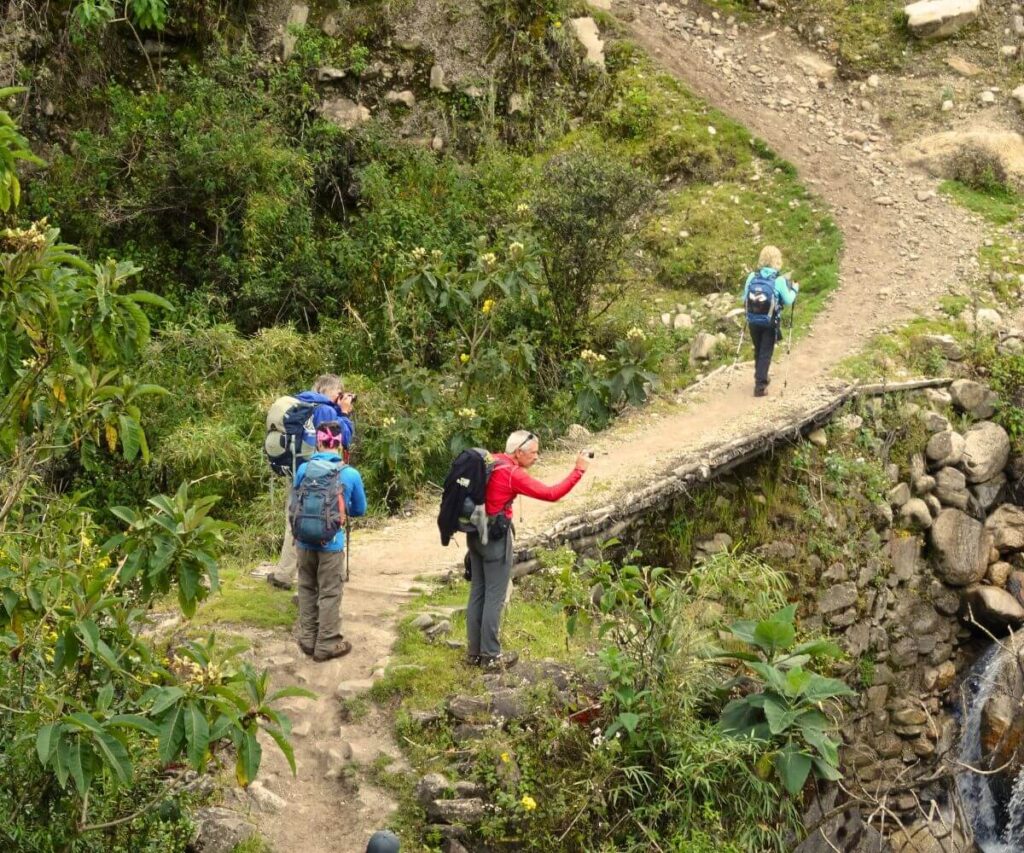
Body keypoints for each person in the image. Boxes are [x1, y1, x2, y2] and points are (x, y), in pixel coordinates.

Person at [466, 431, 590, 669]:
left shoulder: (490, 461)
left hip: (475, 533)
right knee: (495, 595)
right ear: (519, 452)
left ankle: (474, 653)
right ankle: (491, 656)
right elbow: (552, 493)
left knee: (478, 592)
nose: (537, 456)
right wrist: (579, 471)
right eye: (533, 452)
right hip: (495, 539)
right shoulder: (513, 473)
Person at [268, 373, 355, 590]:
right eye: (339, 393)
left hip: (300, 469)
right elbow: (341, 437)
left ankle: (284, 573)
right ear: (328, 391)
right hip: (319, 473)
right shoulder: (324, 409)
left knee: (295, 515)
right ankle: (306, 575)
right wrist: (343, 413)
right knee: (325, 515)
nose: (341, 397)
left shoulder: (302, 403)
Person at [293, 421, 366, 661]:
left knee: (306, 587)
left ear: (318, 442)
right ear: (341, 443)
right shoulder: (350, 473)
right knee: (330, 592)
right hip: (331, 543)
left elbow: (296, 499)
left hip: (303, 541)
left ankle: (307, 639)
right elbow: (360, 509)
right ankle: (326, 644)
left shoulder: (304, 469)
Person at [742, 245, 799, 398]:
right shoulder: (778, 280)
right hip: (769, 321)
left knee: (759, 349)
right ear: (777, 260)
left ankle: (762, 377)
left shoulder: (752, 277)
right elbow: (788, 300)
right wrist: (795, 289)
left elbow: (744, 298)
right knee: (765, 352)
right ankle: (760, 386)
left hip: (753, 319)